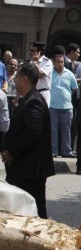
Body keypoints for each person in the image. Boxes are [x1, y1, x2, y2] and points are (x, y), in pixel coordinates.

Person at [1, 62, 55, 218]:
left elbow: (32, 132)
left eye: (17, 77)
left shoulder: (35, 101)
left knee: (34, 210)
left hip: (30, 170)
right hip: (23, 168)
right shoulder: (27, 100)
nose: (14, 80)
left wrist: (11, 151)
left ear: (25, 79)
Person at [49, 51, 79, 158]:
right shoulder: (49, 74)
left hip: (67, 107)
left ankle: (67, 151)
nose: (61, 64)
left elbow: (74, 88)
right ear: (54, 62)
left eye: (62, 62)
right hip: (52, 106)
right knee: (53, 130)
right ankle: (54, 151)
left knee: (66, 131)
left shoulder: (69, 74)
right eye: (58, 62)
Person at [28, 42, 52, 107]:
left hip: (43, 92)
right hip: (33, 93)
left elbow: (40, 75)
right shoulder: (30, 62)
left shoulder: (47, 61)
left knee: (43, 114)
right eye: (30, 50)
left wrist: (36, 62)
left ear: (39, 52)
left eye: (32, 50)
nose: (30, 52)